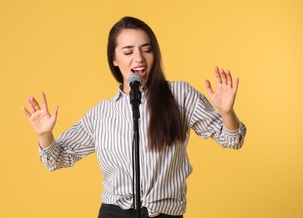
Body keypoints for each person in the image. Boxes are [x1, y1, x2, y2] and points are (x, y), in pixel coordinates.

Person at [22, 16, 247, 218]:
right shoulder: (101, 113)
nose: (138, 58)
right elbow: (57, 158)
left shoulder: (179, 95)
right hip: (113, 213)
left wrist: (227, 112)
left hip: (165, 214)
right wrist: (45, 135)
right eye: (128, 52)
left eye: (146, 49)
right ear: (114, 60)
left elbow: (232, 139)